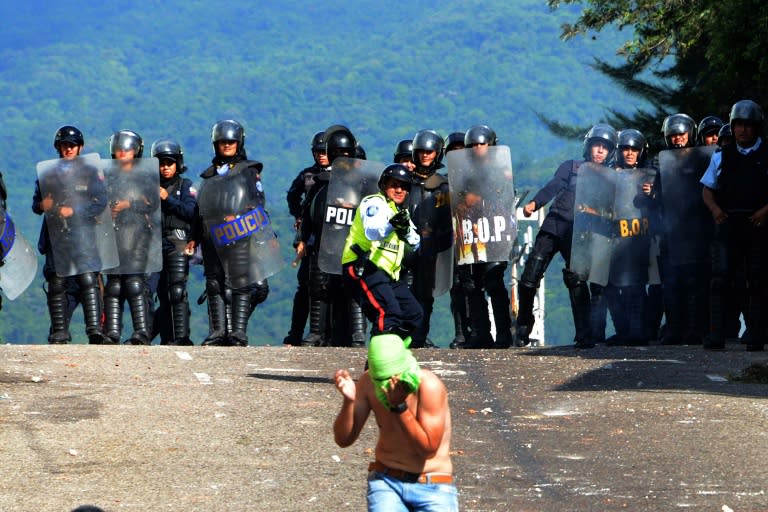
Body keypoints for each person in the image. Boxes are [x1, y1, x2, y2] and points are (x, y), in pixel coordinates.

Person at [516, 123, 618, 348]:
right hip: (554, 226)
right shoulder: (571, 167)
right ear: (588, 147)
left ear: (611, 152)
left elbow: (612, 208)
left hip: (581, 234)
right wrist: (535, 202)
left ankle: (584, 334)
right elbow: (553, 186)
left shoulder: (611, 178)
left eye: (605, 147)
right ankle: (523, 323)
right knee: (528, 279)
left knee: (576, 280)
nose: (599, 150)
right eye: (596, 145)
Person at [333, 334, 458, 512]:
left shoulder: (429, 386)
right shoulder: (368, 382)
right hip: (386, 479)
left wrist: (400, 407)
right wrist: (349, 402)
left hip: (432, 483)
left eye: (393, 378)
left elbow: (428, 448)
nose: (387, 386)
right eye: (380, 381)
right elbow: (343, 439)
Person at [186, 119, 270, 347]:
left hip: (239, 234)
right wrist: (193, 236)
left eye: (231, 142)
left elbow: (257, 201)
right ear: (216, 144)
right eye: (223, 142)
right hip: (211, 235)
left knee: (239, 282)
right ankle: (218, 331)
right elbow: (199, 209)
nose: (227, 145)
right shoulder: (210, 174)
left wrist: (241, 216)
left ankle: (238, 332)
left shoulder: (249, 171)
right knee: (214, 283)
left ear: (239, 142)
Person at [701, 99, 767, 351]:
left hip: (758, 225)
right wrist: (716, 210)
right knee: (719, 280)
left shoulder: (766, 154)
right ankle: (716, 335)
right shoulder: (721, 156)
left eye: (748, 125)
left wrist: (765, 211)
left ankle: (755, 335)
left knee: (757, 280)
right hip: (728, 224)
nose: (743, 130)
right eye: (739, 124)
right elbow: (707, 189)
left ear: (756, 127)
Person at [32, 125, 108, 344]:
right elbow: (36, 204)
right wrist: (42, 205)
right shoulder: (47, 175)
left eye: (72, 146)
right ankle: (60, 331)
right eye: (64, 145)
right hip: (56, 235)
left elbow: (100, 202)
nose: (68, 149)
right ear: (58, 147)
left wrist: (76, 211)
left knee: (88, 278)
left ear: (80, 148)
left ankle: (94, 329)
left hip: (83, 234)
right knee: (57, 282)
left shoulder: (91, 173)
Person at [299, 125, 367, 346]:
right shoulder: (320, 182)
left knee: (355, 289)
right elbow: (308, 212)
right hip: (324, 244)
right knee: (318, 287)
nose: (342, 158)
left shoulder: (362, 184)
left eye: (346, 153)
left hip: (353, 246)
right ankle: (317, 332)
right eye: (338, 153)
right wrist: (302, 238)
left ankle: (358, 335)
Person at [342, 164, 423, 342]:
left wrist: (406, 231)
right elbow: (373, 231)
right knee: (388, 313)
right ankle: (378, 366)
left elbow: (416, 243)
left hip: (387, 275)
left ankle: (389, 355)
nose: (399, 189)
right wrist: (393, 225)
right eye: (394, 185)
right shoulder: (374, 203)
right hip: (362, 266)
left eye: (404, 186)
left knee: (413, 314)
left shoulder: (399, 212)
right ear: (384, 185)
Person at [452, 125, 514, 349]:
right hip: (470, 235)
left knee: (494, 283)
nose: (478, 148)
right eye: (473, 144)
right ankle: (482, 334)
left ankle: (504, 334)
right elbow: (457, 200)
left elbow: (506, 199)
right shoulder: (462, 173)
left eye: (482, 143)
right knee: (471, 285)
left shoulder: (501, 170)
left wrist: (478, 198)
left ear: (491, 145)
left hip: (494, 233)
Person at [102, 129, 160, 345]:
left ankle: (141, 332)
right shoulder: (107, 176)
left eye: (127, 149)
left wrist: (128, 205)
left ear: (136, 151)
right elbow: (97, 201)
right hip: (114, 233)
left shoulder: (145, 176)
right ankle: (112, 332)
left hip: (138, 233)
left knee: (135, 282)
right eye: (119, 149)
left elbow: (152, 203)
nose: (122, 153)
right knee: (114, 284)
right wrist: (108, 210)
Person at [283, 131, 330, 346]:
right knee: (305, 286)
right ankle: (296, 333)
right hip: (309, 237)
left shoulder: (343, 175)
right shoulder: (308, 175)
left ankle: (328, 333)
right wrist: (299, 216)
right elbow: (292, 195)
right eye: (318, 151)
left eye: (325, 151)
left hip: (332, 238)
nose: (321, 155)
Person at [151, 139, 196, 346]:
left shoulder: (185, 185)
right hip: (152, 243)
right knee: (159, 292)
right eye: (161, 163)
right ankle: (166, 337)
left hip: (177, 241)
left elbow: (191, 212)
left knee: (176, 290)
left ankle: (182, 337)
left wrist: (167, 198)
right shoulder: (147, 186)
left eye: (169, 163)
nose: (165, 167)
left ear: (178, 163)